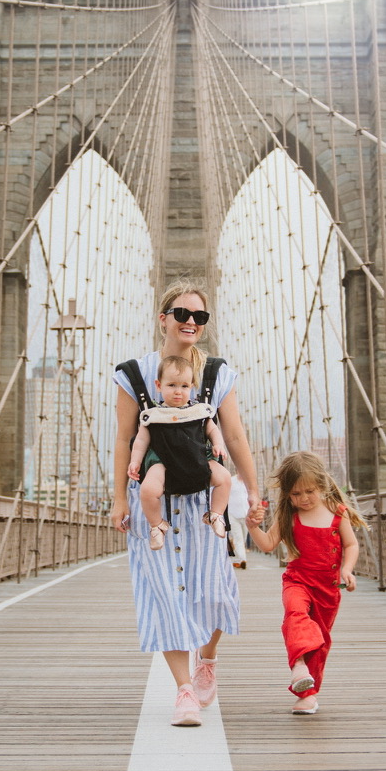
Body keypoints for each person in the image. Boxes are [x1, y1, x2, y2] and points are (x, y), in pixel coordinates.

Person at [111, 282, 262, 727]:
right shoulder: (135, 376)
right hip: (154, 505)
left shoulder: (216, 374)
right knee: (163, 594)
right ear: (163, 318)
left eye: (200, 316)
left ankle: (207, 659)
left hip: (202, 504)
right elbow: (125, 438)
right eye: (182, 314)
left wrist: (252, 491)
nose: (191, 322)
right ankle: (183, 691)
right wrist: (119, 496)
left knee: (215, 591)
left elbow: (233, 437)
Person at [246, 450, 362, 716]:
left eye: (309, 491)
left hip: (328, 588)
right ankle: (298, 665)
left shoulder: (338, 513)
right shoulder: (289, 515)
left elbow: (351, 544)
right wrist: (252, 527)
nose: (303, 499)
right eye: (296, 494)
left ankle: (308, 695)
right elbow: (267, 544)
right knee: (295, 614)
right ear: (288, 494)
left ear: (321, 485)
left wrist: (347, 569)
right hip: (297, 580)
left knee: (320, 641)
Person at [127, 354, 232, 550]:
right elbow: (141, 440)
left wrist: (218, 444)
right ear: (158, 385)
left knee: (225, 478)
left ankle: (216, 514)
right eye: (172, 385)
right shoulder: (153, 415)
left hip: (198, 459)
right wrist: (135, 461)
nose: (178, 391)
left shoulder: (199, 411)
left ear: (191, 386)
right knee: (147, 490)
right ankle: (157, 526)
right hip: (164, 463)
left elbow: (212, 429)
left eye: (184, 386)